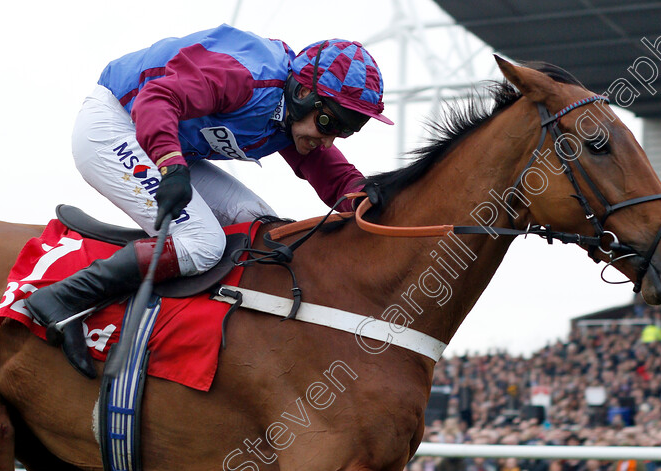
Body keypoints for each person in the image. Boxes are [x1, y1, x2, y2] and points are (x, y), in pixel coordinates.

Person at [23, 24, 393, 379]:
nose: (331, 139)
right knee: (203, 243)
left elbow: (330, 172)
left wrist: (363, 198)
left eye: (346, 130)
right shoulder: (246, 78)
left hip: (166, 137)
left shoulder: (294, 115)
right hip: (115, 124)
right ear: (302, 94)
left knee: (259, 225)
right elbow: (157, 98)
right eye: (330, 123)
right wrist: (170, 165)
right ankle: (65, 298)